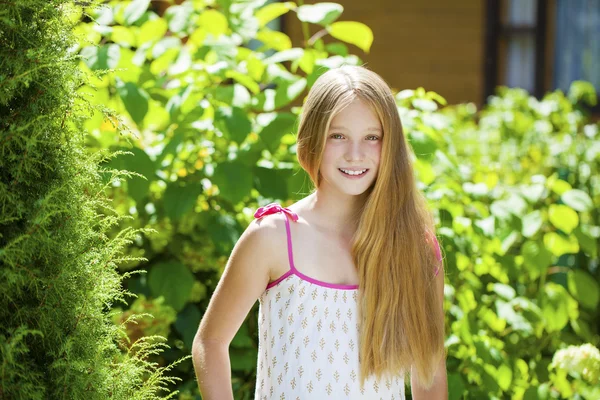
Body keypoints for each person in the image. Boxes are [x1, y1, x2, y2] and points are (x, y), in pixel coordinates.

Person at [192, 65, 447, 399]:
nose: (355, 154)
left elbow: (429, 369)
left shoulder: (416, 248)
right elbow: (210, 343)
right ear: (312, 140)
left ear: (391, 145)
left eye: (372, 137)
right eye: (337, 135)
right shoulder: (272, 237)